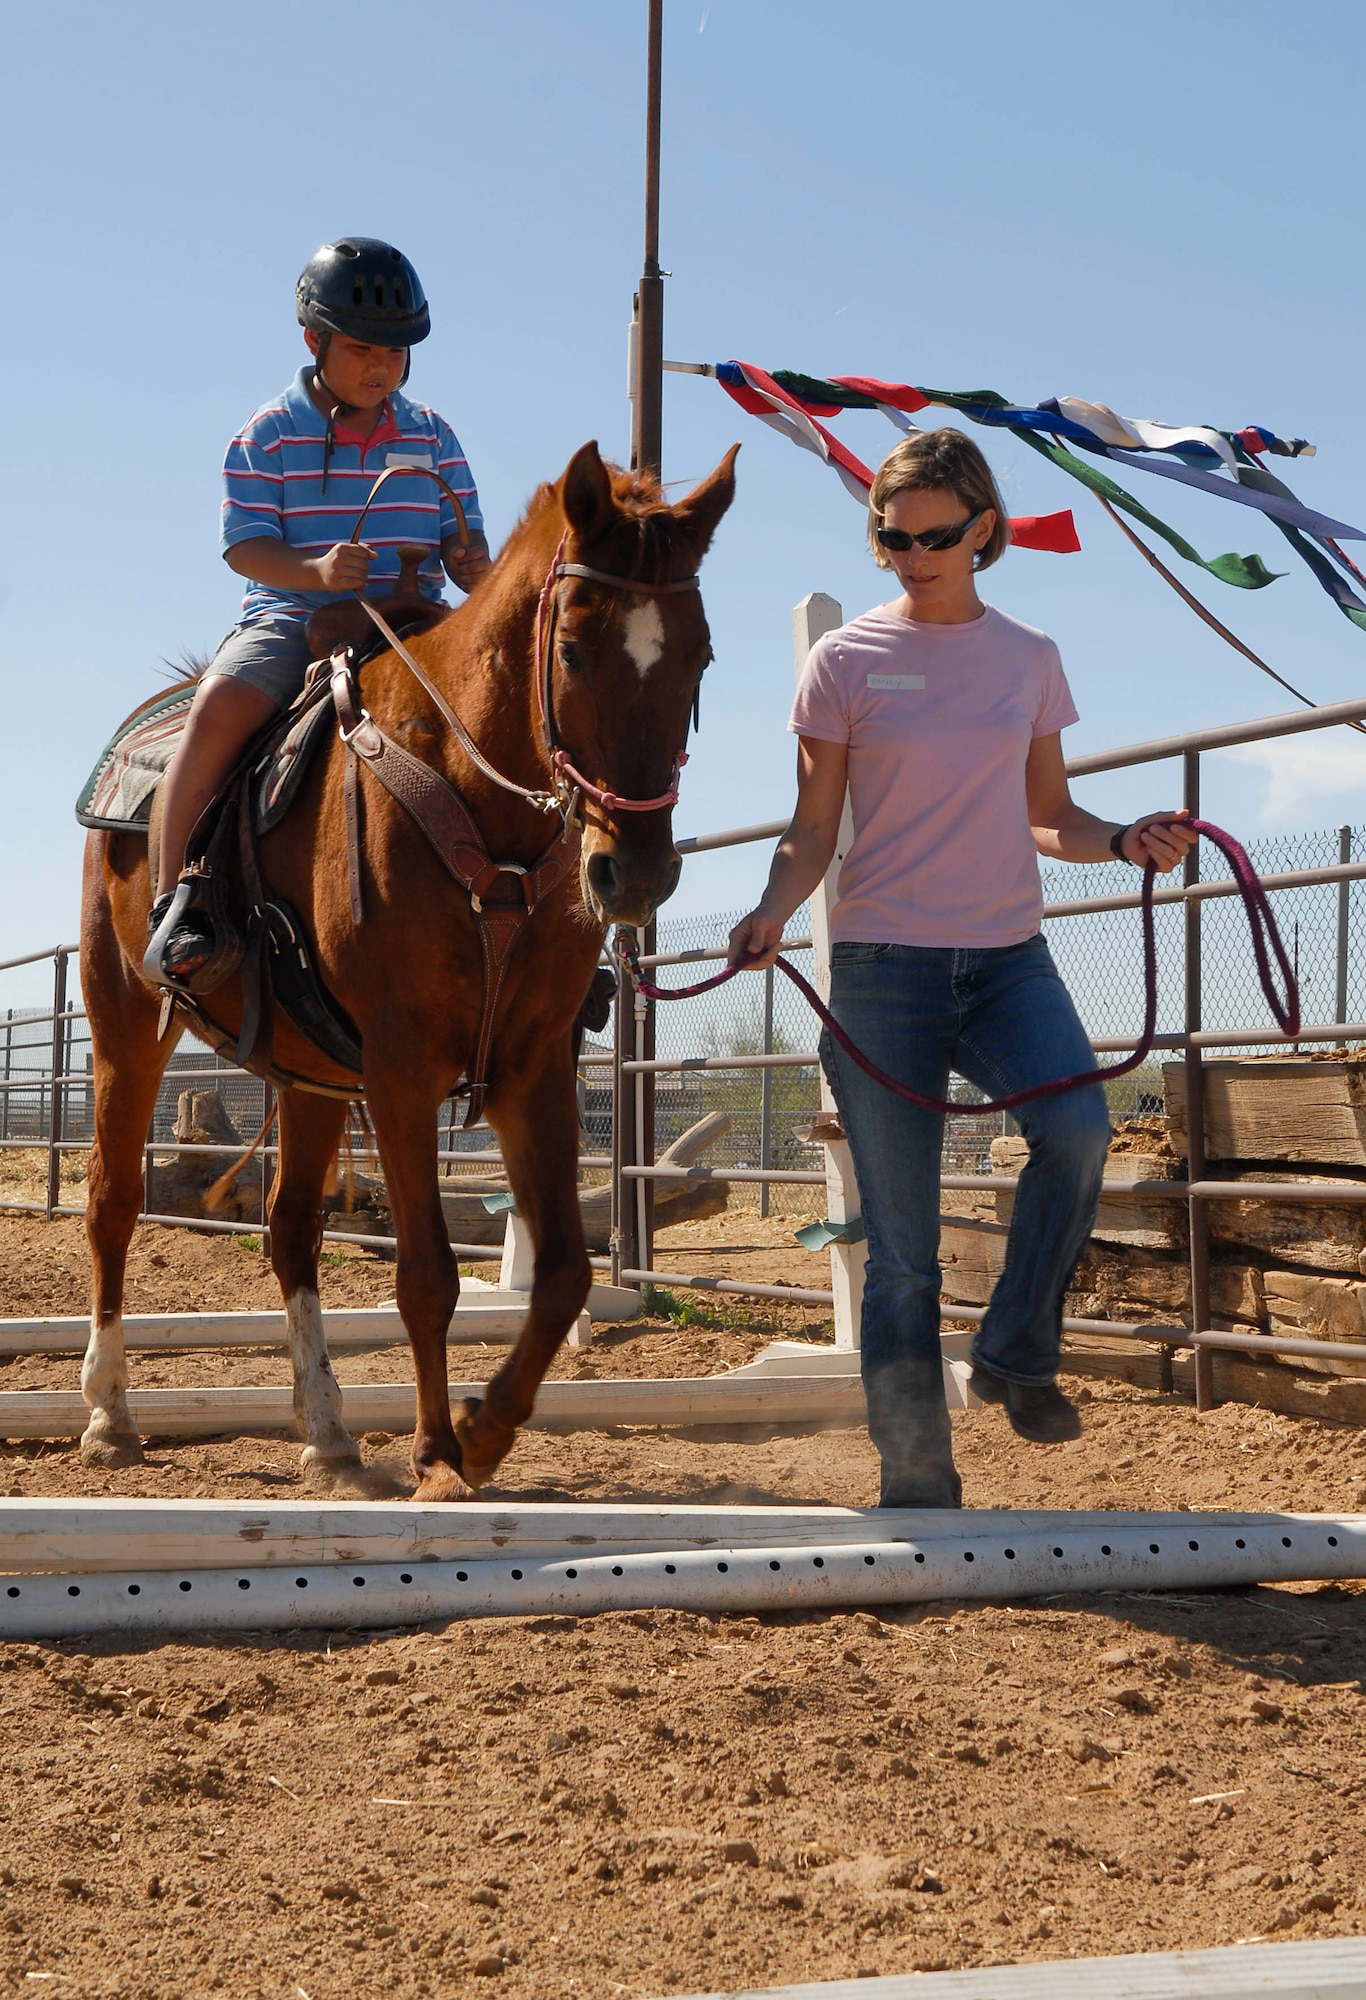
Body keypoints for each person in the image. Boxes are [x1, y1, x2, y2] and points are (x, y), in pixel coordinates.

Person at [728, 429, 1196, 1509]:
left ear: (982, 529)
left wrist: (1122, 838)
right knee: (903, 1250)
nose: (908, 555)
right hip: (884, 971)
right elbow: (810, 831)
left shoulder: (1027, 656)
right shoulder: (843, 659)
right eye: (889, 537)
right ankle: (916, 1471)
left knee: (1078, 1133)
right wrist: (767, 911)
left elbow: (1049, 814)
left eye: (932, 536)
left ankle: (1016, 1355)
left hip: (1007, 961)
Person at [144, 236, 492, 988]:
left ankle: (538, 921)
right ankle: (174, 906)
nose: (382, 368)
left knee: (513, 719)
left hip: (416, 626)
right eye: (365, 348)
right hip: (292, 620)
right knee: (219, 707)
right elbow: (244, 548)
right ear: (314, 340)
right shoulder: (265, 434)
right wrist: (317, 570)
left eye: (397, 353)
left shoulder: (434, 435)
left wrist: (472, 566)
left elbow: (467, 541)